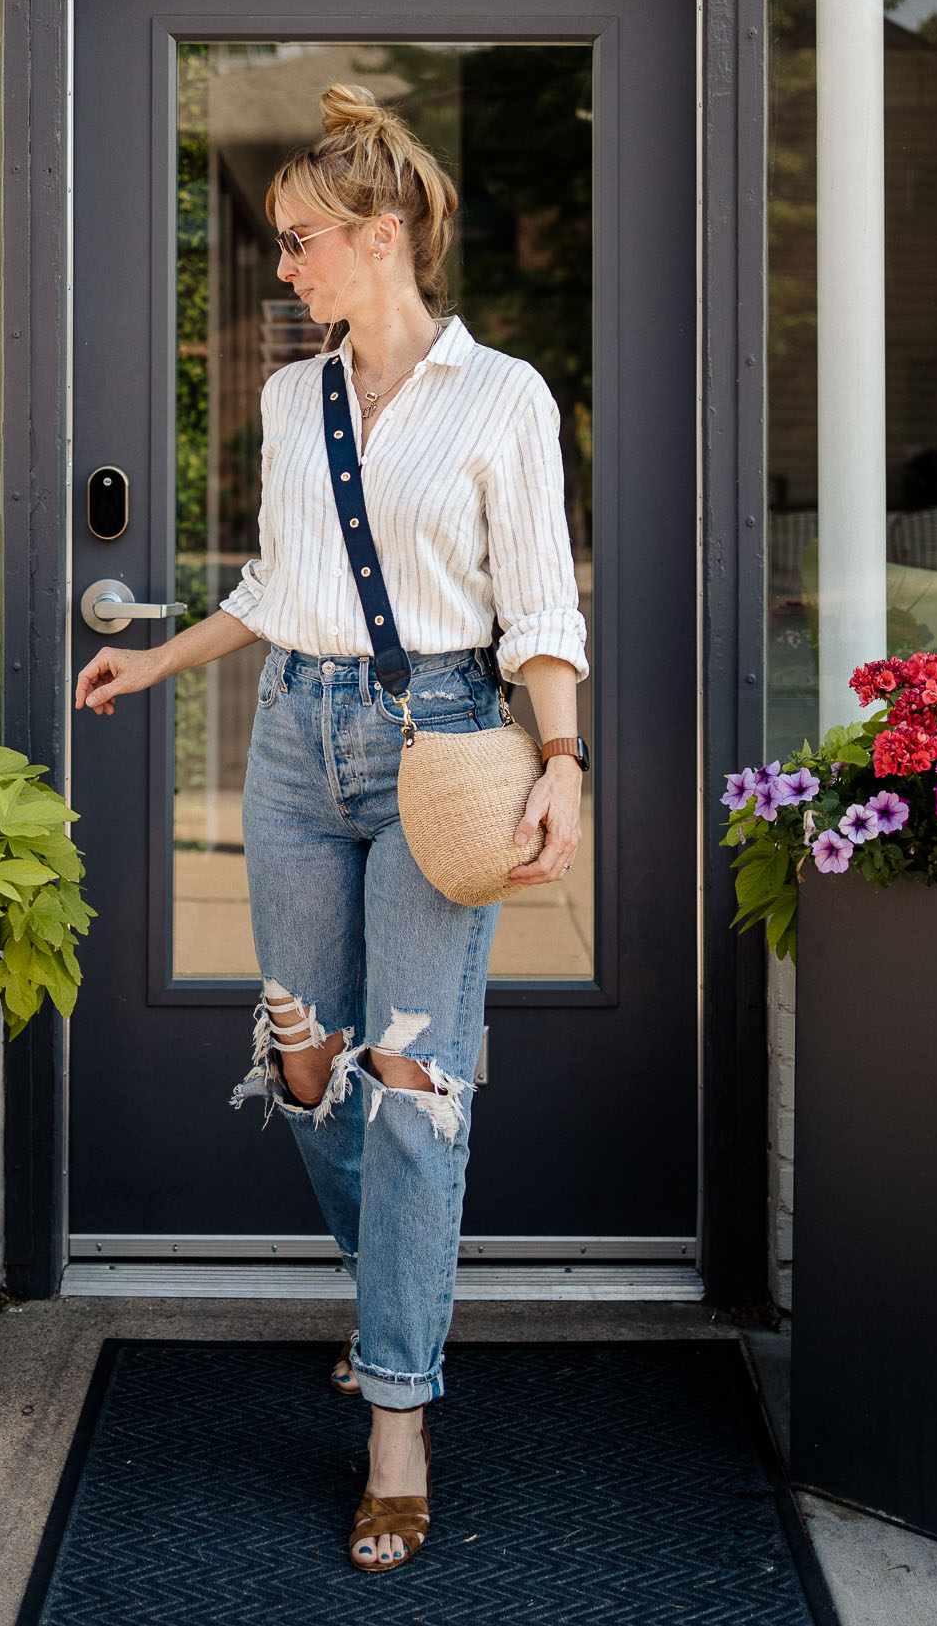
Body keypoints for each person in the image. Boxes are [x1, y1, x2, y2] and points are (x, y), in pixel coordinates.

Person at [74, 84, 588, 1573]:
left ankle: (397, 1415)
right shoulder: (290, 398)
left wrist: (558, 758)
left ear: (379, 238)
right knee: (306, 1062)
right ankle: (397, 1304)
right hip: (296, 744)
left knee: (412, 1081)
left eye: (298, 241)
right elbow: (272, 579)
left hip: (443, 744)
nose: (281, 264)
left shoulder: (502, 397)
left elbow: (540, 604)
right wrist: (158, 657)